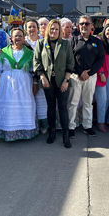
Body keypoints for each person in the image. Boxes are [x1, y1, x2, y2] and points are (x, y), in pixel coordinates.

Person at [0, 27, 38, 141]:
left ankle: (25, 132)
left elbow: (34, 70)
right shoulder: (3, 52)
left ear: (23, 38)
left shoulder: (30, 53)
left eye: (20, 36)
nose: (18, 38)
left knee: (22, 107)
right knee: (9, 107)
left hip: (24, 85)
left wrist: (35, 83)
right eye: (16, 36)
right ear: (11, 38)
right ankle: (7, 131)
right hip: (7, 85)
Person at [34, 19, 74, 148]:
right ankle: (52, 132)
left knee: (62, 108)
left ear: (60, 31)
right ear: (48, 30)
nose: (54, 31)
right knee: (50, 107)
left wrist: (66, 80)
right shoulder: (41, 43)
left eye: (56, 29)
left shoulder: (65, 44)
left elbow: (70, 63)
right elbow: (37, 62)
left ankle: (65, 135)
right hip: (47, 82)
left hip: (63, 81)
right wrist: (42, 77)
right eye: (52, 28)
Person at [68, 15, 105, 138]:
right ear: (78, 26)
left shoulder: (97, 42)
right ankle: (71, 126)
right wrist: (80, 72)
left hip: (91, 77)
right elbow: (70, 59)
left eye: (86, 24)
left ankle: (87, 126)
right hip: (75, 76)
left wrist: (89, 73)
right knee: (73, 102)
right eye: (81, 24)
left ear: (91, 26)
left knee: (88, 102)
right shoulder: (72, 40)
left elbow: (100, 60)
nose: (84, 26)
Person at [24, 18, 48, 134]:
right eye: (29, 27)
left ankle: (44, 125)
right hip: (26, 75)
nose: (32, 29)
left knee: (41, 100)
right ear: (26, 29)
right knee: (29, 100)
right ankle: (32, 125)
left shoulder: (44, 41)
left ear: (38, 28)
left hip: (41, 74)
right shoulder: (22, 42)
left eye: (34, 26)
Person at [94, 23, 109, 133]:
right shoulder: (99, 42)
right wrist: (101, 73)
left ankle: (101, 119)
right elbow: (96, 59)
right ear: (104, 31)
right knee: (102, 99)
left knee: (108, 97)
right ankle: (100, 122)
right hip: (101, 73)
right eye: (108, 30)